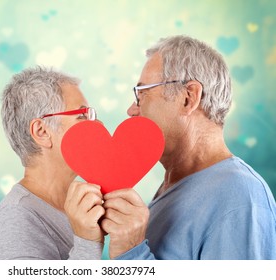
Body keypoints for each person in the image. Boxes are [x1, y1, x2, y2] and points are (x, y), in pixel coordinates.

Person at [66, 35, 276, 260]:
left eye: (142, 94)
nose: (131, 110)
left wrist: (131, 252)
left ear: (188, 97)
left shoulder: (241, 199)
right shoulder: (174, 185)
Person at [0, 66, 105, 259]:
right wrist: (86, 243)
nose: (98, 125)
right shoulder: (15, 220)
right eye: (82, 116)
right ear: (42, 132)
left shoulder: (80, 205)